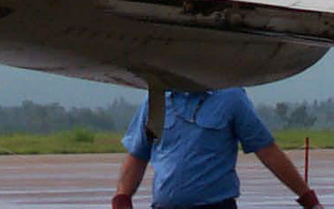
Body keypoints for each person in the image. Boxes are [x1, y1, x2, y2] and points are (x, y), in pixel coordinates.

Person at [112, 87, 321, 209]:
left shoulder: (231, 97)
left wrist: (308, 199)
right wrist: (122, 198)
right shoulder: (157, 98)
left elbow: (267, 150)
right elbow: (138, 154)